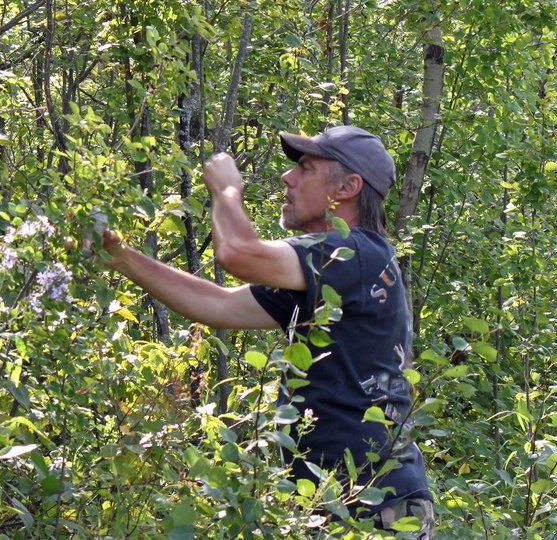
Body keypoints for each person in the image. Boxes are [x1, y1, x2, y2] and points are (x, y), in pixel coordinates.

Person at [94, 126, 434, 537]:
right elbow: (217, 305)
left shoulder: (356, 253)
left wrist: (227, 191)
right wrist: (120, 257)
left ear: (347, 187)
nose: (287, 178)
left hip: (377, 507)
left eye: (305, 169)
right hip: (336, 501)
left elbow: (237, 252)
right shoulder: (330, 271)